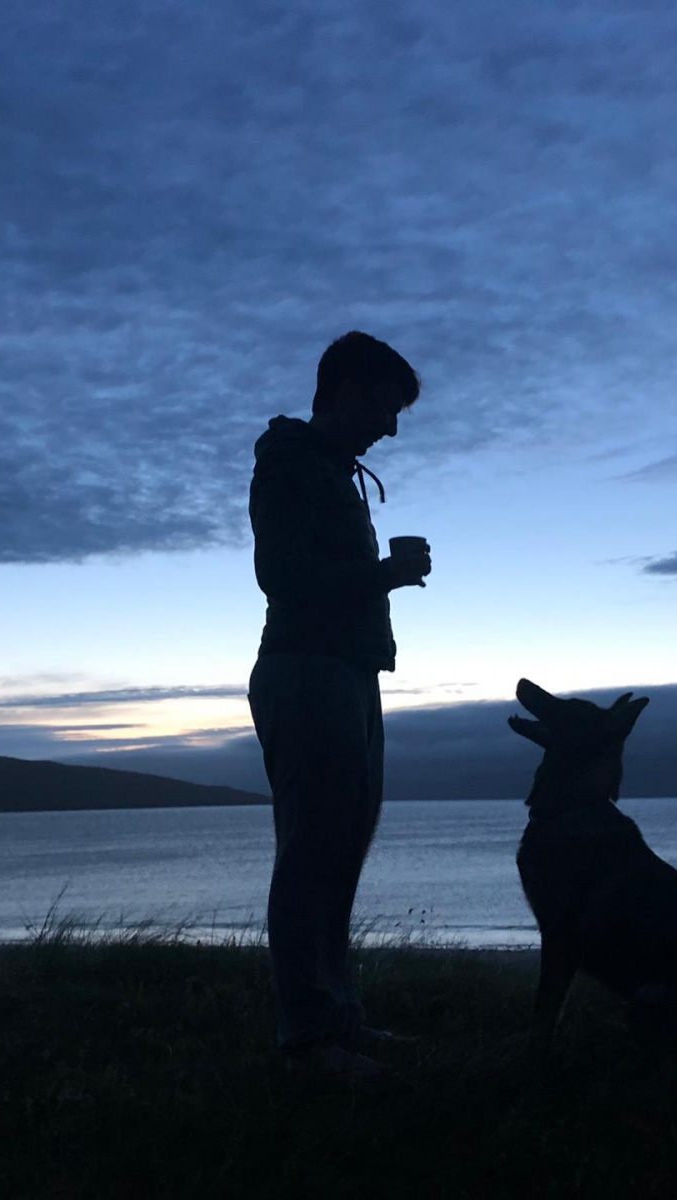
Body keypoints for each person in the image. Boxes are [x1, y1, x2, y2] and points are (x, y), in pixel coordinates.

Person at [246, 331, 431, 1077]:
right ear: (347, 390)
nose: (390, 429)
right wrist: (385, 576)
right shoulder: (291, 465)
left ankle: (336, 1018)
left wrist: (380, 586)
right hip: (306, 673)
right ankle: (307, 1040)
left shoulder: (331, 472)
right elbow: (282, 577)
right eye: (386, 409)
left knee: (340, 850)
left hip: (347, 674)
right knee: (312, 854)